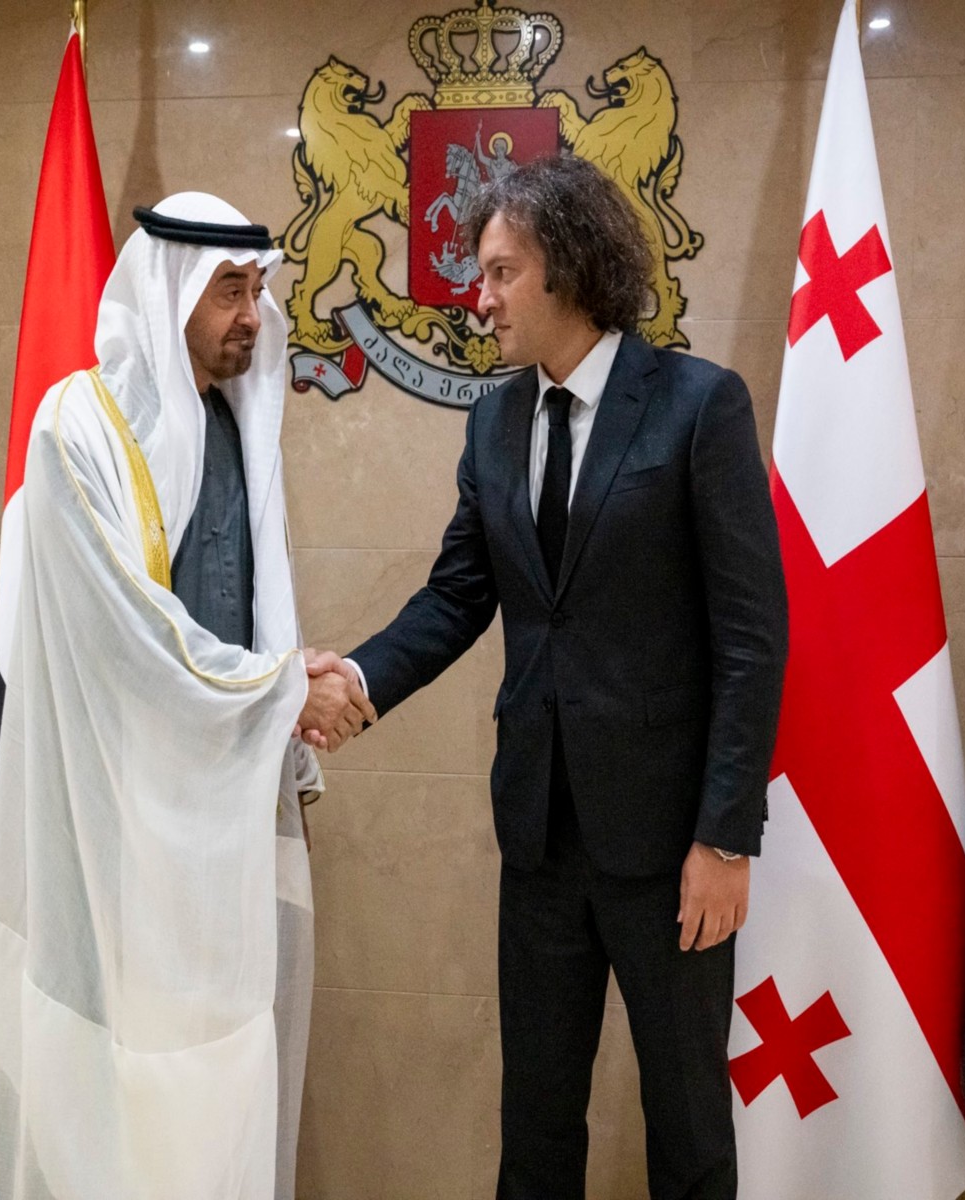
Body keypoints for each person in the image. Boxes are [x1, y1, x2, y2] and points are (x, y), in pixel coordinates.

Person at [309, 155, 788, 1199]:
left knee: (688, 1125)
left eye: (497, 274)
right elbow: (455, 596)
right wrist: (355, 678)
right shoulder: (494, 420)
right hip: (537, 834)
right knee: (533, 1118)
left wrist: (724, 836)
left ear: (567, 271)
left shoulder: (697, 405)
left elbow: (752, 638)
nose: (475, 301)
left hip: (671, 846)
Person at [0, 192, 371, 1200]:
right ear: (167, 290)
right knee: (104, 1087)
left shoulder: (227, 427)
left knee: (211, 1073)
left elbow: (235, 617)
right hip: (109, 822)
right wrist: (282, 690)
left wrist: (278, 695)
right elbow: (125, 635)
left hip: (210, 820)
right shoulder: (75, 432)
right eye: (229, 288)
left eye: (256, 288)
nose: (250, 314)